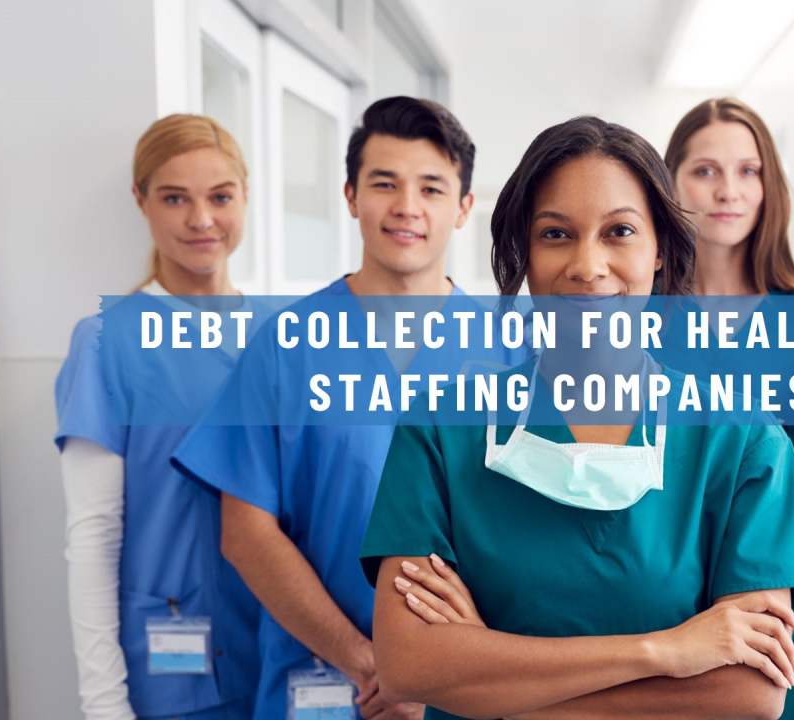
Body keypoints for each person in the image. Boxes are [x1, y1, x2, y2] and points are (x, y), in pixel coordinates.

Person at [359, 115, 794, 720]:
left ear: (660, 248)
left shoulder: (743, 438)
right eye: (556, 234)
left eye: (620, 232)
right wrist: (663, 651)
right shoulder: (441, 428)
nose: (588, 264)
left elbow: (751, 693)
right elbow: (409, 665)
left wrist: (490, 679)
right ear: (522, 252)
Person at [172, 96, 518, 720]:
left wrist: (439, 676)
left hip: (466, 693)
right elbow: (246, 535)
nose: (407, 207)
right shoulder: (285, 346)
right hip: (322, 684)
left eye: (432, 188)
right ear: (352, 196)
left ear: (464, 206)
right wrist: (370, 663)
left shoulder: (510, 351)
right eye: (384, 184)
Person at [55, 114, 262, 720]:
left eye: (220, 197)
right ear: (140, 201)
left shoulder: (283, 334)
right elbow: (92, 537)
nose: (201, 220)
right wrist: (104, 705)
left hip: (292, 662)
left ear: (245, 197)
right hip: (173, 679)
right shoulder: (105, 342)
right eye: (175, 198)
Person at [664, 96, 794, 720]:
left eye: (748, 171)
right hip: (662, 620)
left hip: (780, 626)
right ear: (671, 183)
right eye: (705, 170)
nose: (727, 191)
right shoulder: (637, 319)